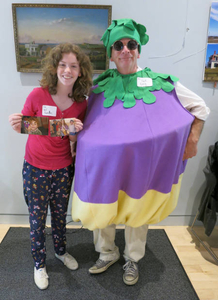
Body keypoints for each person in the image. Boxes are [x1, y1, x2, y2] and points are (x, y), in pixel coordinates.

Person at [71, 19, 210, 285]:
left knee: (139, 209)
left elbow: (200, 107)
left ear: (139, 49)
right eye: (119, 45)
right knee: (104, 207)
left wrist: (192, 139)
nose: (125, 50)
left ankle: (132, 258)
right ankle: (106, 252)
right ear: (111, 54)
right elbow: (76, 117)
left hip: (142, 166)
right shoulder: (97, 88)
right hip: (107, 166)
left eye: (131, 44)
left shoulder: (160, 82)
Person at [9, 43, 92, 290]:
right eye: (63, 64)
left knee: (59, 216)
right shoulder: (37, 95)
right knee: (36, 219)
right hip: (35, 167)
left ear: (80, 71)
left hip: (63, 168)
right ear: (55, 67)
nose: (67, 70)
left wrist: (74, 133)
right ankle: (39, 263)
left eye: (73, 66)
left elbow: (74, 138)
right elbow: (24, 125)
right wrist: (19, 122)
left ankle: (61, 251)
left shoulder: (81, 102)